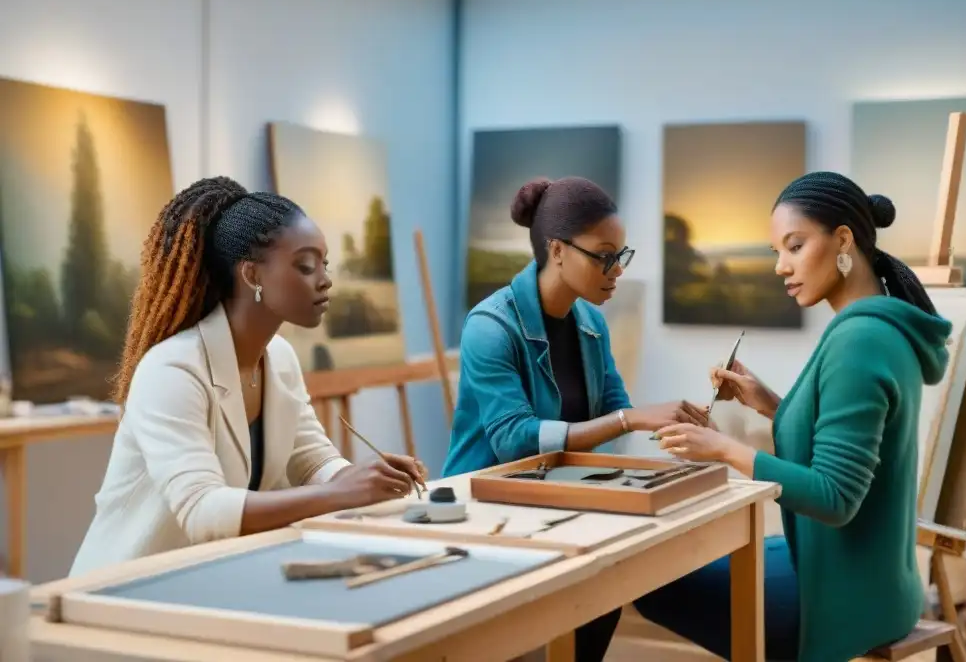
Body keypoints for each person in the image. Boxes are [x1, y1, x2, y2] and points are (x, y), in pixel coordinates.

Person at [634, 171, 952, 662]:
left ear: (843, 239)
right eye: (776, 253)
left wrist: (722, 449)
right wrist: (770, 403)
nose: (782, 267)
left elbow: (836, 496)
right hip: (874, 577)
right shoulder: (877, 325)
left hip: (845, 595)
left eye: (795, 246)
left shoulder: (859, 341)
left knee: (650, 580)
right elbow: (845, 443)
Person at [70, 177, 424, 576]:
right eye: (305, 266)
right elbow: (202, 510)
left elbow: (311, 460)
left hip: (212, 579)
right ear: (252, 275)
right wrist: (339, 493)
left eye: (324, 264)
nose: (324, 280)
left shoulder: (280, 358)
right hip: (123, 589)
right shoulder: (171, 370)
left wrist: (366, 477)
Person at [443, 176, 688, 662]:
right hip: (485, 514)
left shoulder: (591, 323)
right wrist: (630, 420)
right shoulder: (490, 327)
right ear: (556, 249)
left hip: (554, 507)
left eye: (621, 254)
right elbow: (515, 440)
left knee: (606, 589)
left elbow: (616, 405)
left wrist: (677, 427)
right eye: (603, 255)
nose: (615, 269)